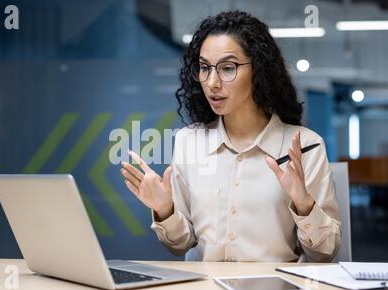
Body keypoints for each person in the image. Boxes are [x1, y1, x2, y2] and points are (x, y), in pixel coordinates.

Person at [120, 10, 341, 262]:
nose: (212, 82)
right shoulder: (188, 141)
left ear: (258, 69)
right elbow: (180, 244)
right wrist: (164, 210)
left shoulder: (305, 146)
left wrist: (303, 203)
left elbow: (325, 252)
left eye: (227, 68)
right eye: (204, 68)